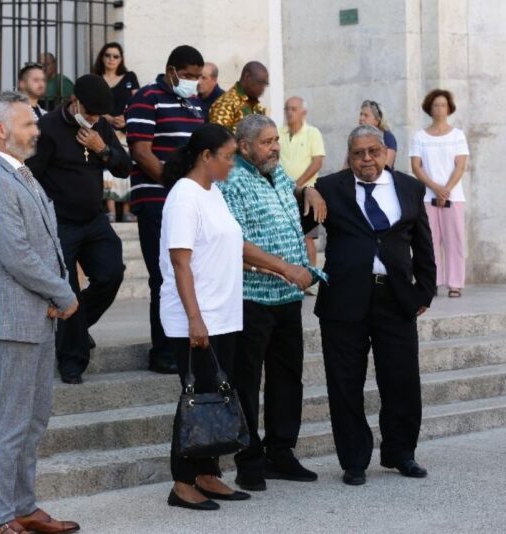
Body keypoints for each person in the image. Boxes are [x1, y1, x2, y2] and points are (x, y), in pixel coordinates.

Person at [312, 125, 436, 486]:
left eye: (372, 151)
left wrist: (424, 291)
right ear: (348, 156)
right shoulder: (329, 187)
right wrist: (304, 190)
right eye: (358, 153)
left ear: (384, 152)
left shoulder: (410, 187)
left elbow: (424, 243)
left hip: (395, 298)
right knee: (345, 382)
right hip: (344, 300)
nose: (366, 159)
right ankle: (354, 460)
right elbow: (302, 222)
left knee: (401, 380)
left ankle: (401, 453)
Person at [219, 114, 327, 492]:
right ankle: (248, 460)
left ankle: (281, 451)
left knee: (287, 377)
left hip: (287, 298)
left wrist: (307, 190)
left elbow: (291, 204)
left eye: (276, 140)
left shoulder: (278, 174)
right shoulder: (231, 180)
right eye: (266, 142)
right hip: (252, 297)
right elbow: (237, 244)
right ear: (245, 147)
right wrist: (286, 267)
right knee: (247, 381)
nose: (275, 147)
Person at [0, 90, 80, 534]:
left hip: (39, 315)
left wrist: (57, 290)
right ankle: (1, 515)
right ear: (2, 130)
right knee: (10, 424)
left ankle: (23, 504)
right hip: (16, 319)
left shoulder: (23, 173)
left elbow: (45, 239)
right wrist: (62, 291)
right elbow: (17, 254)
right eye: (29, 124)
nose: (37, 130)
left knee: (34, 419)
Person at [159, 124, 250, 511]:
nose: (232, 163)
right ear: (206, 156)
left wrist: (281, 266)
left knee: (217, 396)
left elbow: (231, 245)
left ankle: (207, 473)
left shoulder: (214, 193)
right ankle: (182, 481)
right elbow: (181, 263)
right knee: (197, 397)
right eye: (228, 156)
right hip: (196, 318)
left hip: (224, 314)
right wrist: (196, 319)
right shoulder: (184, 196)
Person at [27, 74, 130, 384]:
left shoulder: (100, 128)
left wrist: (103, 149)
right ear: (75, 102)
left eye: (99, 114)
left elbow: (124, 167)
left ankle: (76, 326)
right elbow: (31, 175)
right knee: (67, 289)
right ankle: (72, 360)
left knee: (112, 273)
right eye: (90, 112)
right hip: (61, 223)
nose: (94, 118)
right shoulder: (48, 128)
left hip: (94, 220)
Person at [125, 44, 208, 375]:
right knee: (164, 275)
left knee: (190, 273)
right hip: (158, 200)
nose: (193, 82)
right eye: (188, 76)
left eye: (198, 77)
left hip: (190, 201)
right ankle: (163, 350)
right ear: (171, 70)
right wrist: (177, 188)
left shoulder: (196, 104)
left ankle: (187, 341)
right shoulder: (147, 98)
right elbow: (142, 152)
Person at [409, 89, 469, 298]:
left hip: (453, 197)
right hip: (427, 197)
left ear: (449, 108)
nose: (440, 109)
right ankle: (431, 281)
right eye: (436, 105)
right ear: (429, 108)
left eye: (443, 105)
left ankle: (455, 283)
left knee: (455, 240)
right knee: (429, 241)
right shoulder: (420, 136)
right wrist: (435, 187)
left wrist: (446, 189)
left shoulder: (457, 135)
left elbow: (460, 166)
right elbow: (416, 167)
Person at [280, 96, 327, 286]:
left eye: (293, 109)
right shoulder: (279, 132)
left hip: (308, 191)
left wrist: (298, 183)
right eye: (287, 109)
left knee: (308, 234)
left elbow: (317, 161)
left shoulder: (312, 133)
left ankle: (310, 277)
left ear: (303, 112)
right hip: (283, 192)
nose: (289, 112)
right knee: (287, 232)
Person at [93, 42, 140, 223]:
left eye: (116, 56)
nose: (111, 59)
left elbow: (137, 101)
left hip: (125, 131)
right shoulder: (96, 78)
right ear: (102, 58)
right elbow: (91, 105)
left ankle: (127, 210)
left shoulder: (130, 77)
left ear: (121, 59)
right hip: (103, 129)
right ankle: (111, 209)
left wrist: (126, 118)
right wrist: (109, 119)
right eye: (108, 55)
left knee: (126, 165)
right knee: (107, 166)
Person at [209, 61, 269, 133]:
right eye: (260, 83)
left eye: (265, 84)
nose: (263, 88)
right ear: (247, 76)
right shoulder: (225, 103)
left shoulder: (257, 106)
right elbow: (219, 139)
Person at [359, 100, 398, 169]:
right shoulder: (356, 138)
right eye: (361, 114)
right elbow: (346, 166)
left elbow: (386, 167)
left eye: (366, 115)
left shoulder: (387, 138)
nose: (361, 118)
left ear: (377, 120)